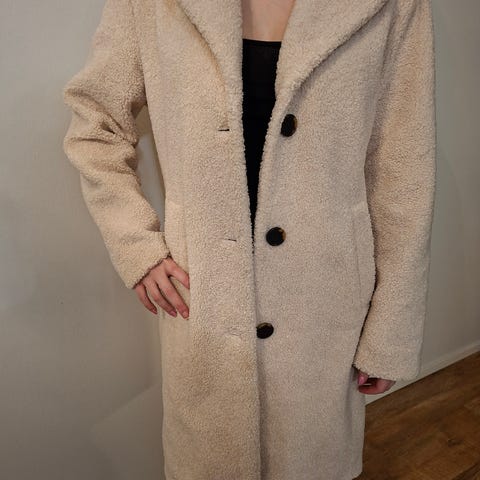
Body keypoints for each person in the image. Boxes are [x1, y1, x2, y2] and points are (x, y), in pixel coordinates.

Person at [62, 0, 436, 478]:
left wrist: (392, 328)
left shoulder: (396, 6)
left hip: (323, 315)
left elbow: (403, 171)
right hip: (204, 307)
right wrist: (137, 246)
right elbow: (96, 125)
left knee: (311, 461)